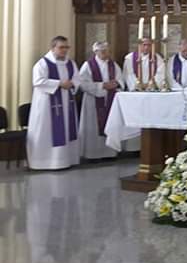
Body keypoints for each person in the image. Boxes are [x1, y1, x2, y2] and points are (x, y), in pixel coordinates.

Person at [27, 36, 81, 170]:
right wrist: (59, 84)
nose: (64, 50)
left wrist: (72, 84)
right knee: (47, 131)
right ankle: (44, 162)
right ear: (53, 48)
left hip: (66, 102)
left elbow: (77, 78)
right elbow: (38, 81)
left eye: (66, 47)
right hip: (47, 105)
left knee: (66, 129)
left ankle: (66, 160)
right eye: (61, 47)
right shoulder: (43, 63)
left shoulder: (70, 63)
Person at [78, 41, 124, 160]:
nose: (104, 53)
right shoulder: (88, 65)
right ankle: (93, 155)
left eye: (106, 50)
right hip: (93, 101)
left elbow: (120, 80)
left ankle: (110, 153)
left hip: (110, 100)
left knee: (110, 123)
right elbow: (82, 83)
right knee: (93, 127)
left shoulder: (113, 65)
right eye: (101, 50)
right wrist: (102, 86)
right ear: (95, 52)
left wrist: (115, 84)